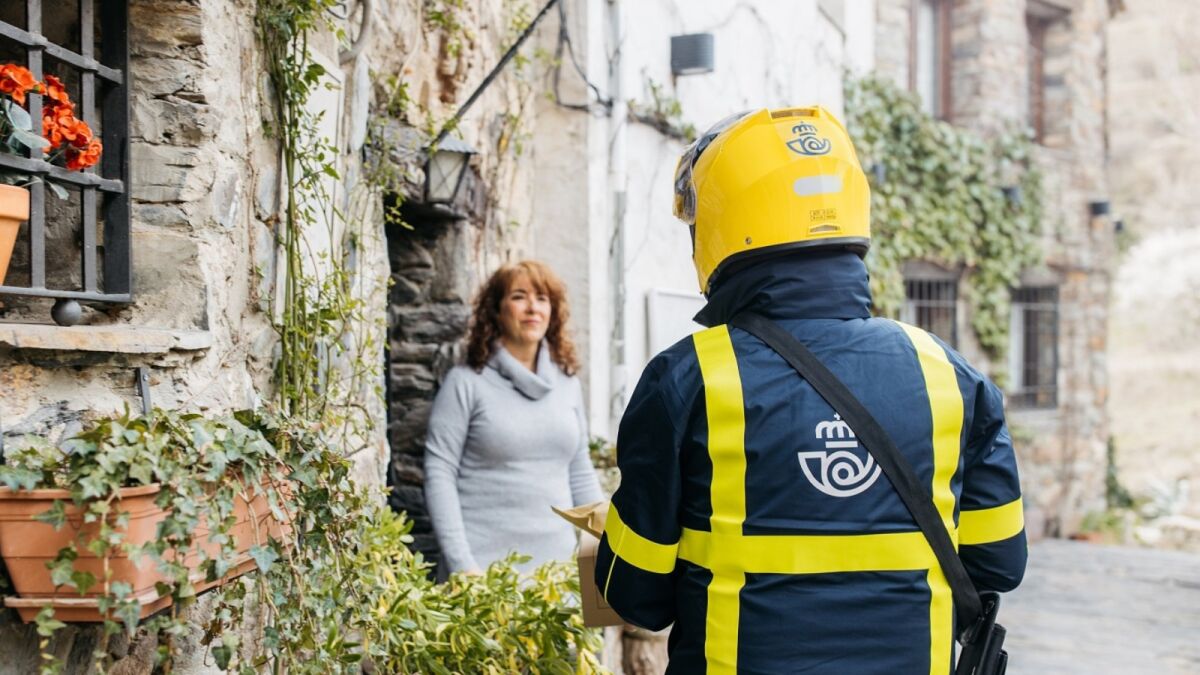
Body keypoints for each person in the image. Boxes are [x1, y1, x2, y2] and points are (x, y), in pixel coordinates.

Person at [596, 107, 1027, 673]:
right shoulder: (947, 373)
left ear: (723, 225)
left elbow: (635, 595)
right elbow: (998, 564)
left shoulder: (688, 377)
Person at [424, 260, 604, 576]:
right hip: (482, 575)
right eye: (519, 297)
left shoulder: (568, 384)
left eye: (542, 298)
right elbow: (439, 473)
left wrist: (607, 553)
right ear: (496, 311)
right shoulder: (465, 383)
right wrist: (462, 565)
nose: (533, 308)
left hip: (556, 578)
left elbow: (579, 471)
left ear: (552, 312)